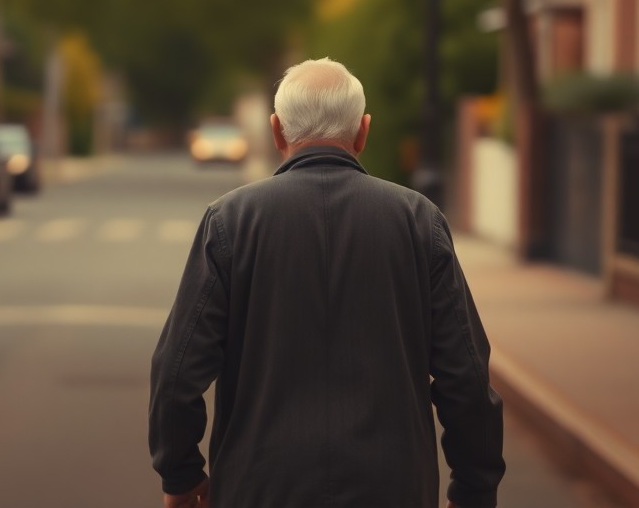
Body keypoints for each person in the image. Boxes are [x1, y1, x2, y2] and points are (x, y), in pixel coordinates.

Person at [149, 58, 505, 508]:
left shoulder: (230, 222)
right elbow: (466, 376)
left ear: (277, 131)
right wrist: (475, 487)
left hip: (258, 487)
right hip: (392, 488)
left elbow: (177, 373)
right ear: (363, 131)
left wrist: (180, 477)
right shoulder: (418, 222)